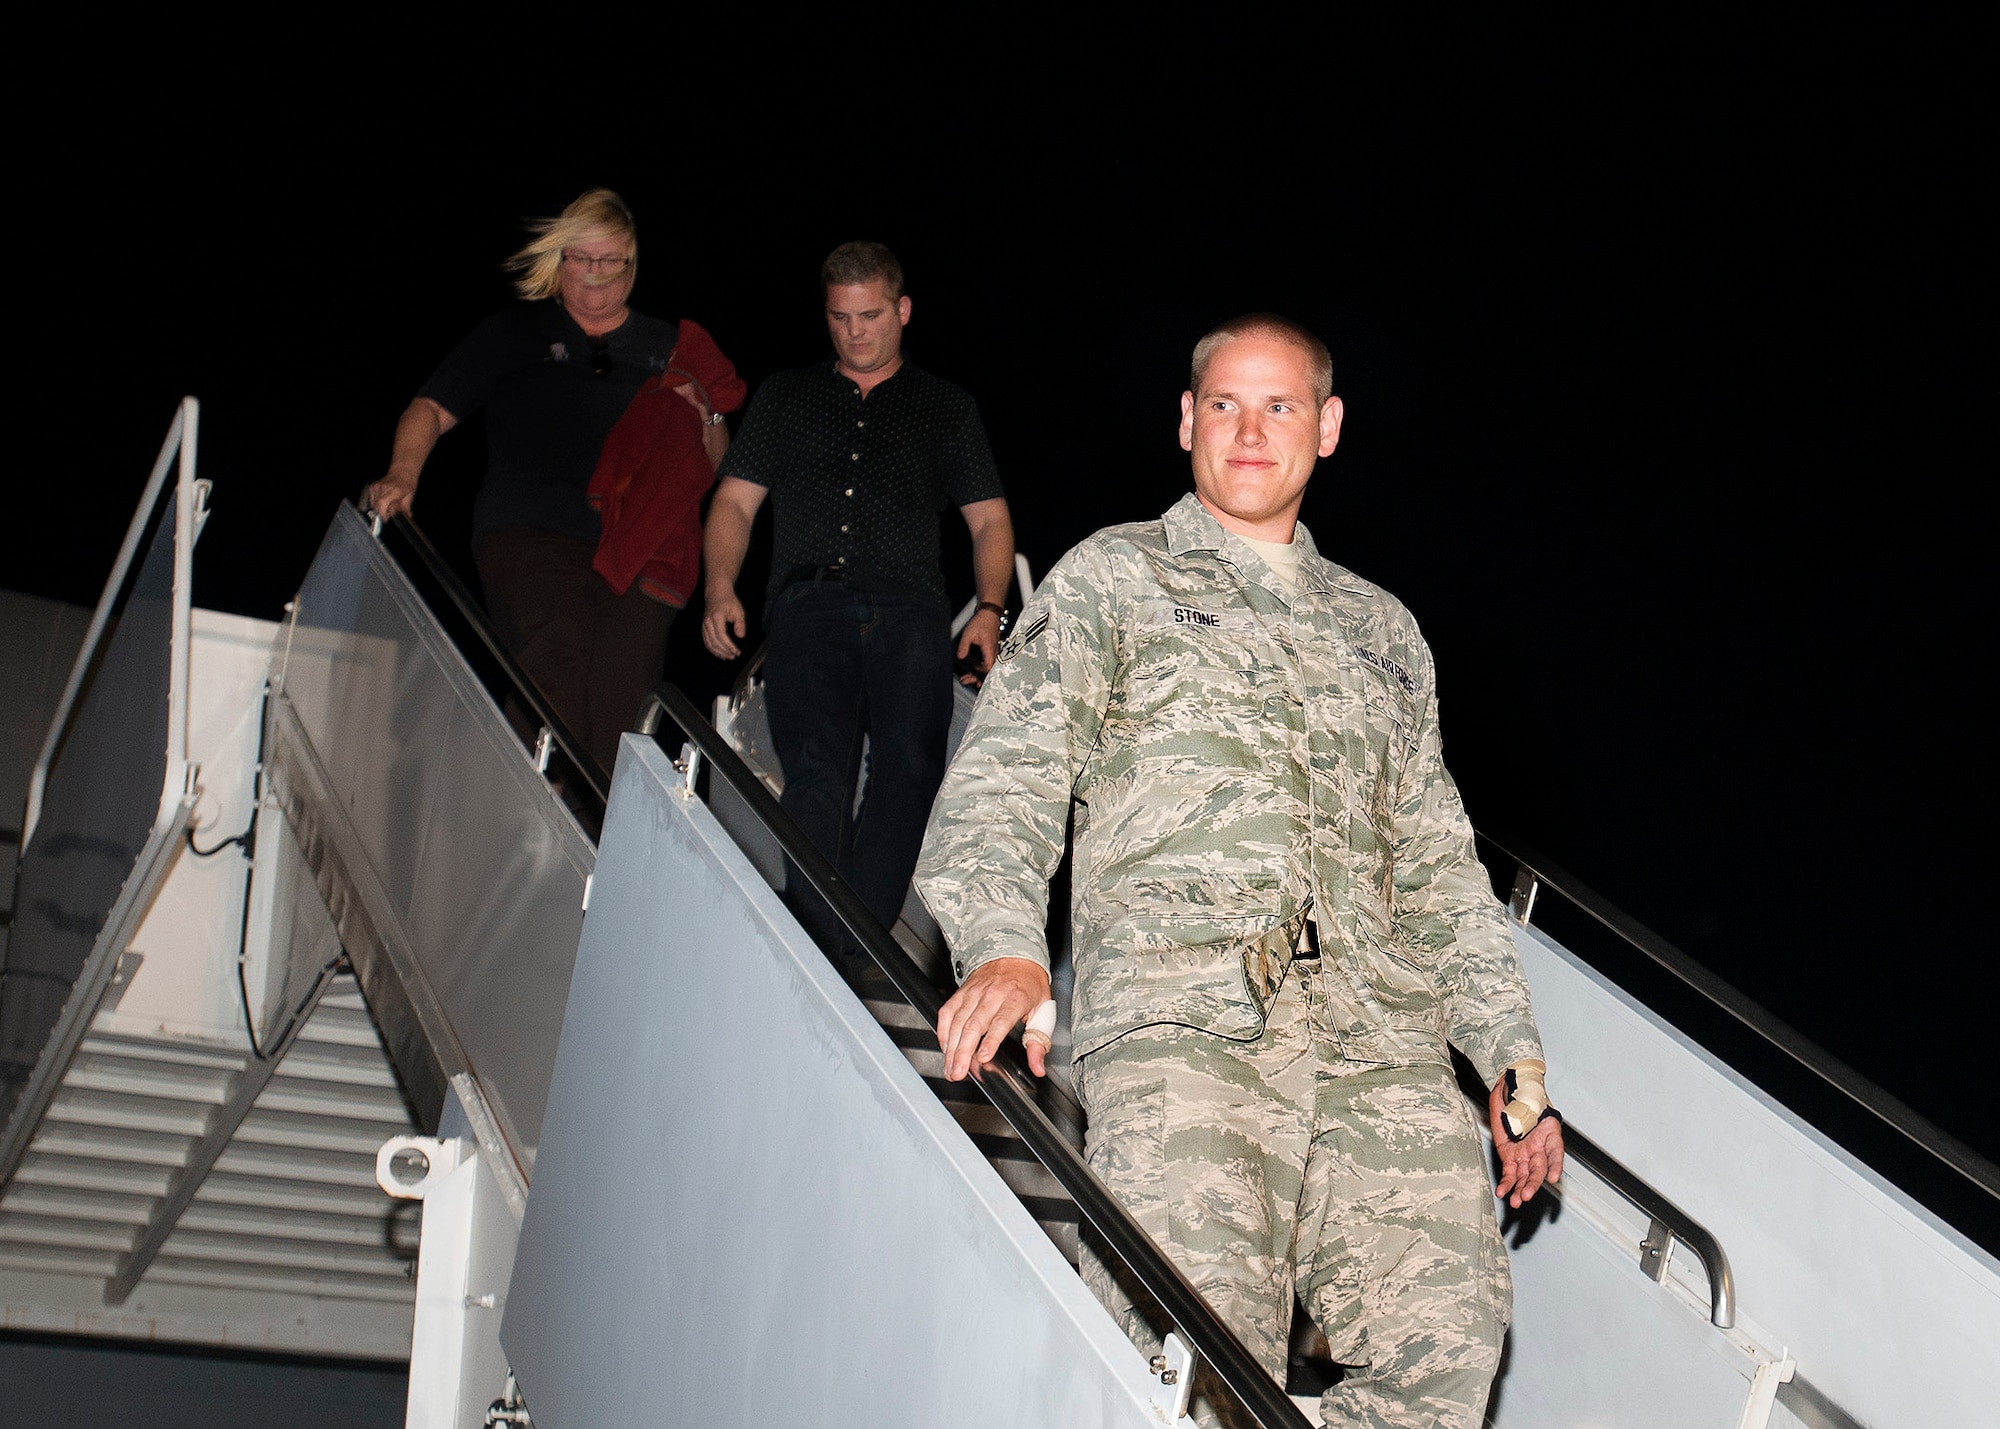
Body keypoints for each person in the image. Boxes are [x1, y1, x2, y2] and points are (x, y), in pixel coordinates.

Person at [914, 316, 1565, 1429]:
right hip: (1187, 1027)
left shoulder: (1382, 630)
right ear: (1185, 422)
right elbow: (1007, 773)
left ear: (1327, 425)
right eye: (1223, 404)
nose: (1250, 430)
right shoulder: (1115, 577)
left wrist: (1507, 1052)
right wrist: (1007, 947)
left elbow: (1436, 859)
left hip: (1381, 1046)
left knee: (1446, 1351)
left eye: (1278, 406)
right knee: (1191, 1356)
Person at [701, 241, 1014, 960]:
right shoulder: (785, 395)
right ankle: (820, 940)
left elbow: (990, 518)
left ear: (902, 310)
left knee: (909, 766)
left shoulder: (945, 406)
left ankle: (854, 943)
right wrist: (720, 585)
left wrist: (991, 609)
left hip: (911, 609)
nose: (855, 331)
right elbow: (735, 504)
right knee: (816, 764)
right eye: (840, 317)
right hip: (808, 605)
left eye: (870, 315)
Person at [366, 188, 743, 774]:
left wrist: (708, 412)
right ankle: (526, 822)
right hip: (529, 533)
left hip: (638, 550)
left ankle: (588, 847)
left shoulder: (667, 345)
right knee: (556, 661)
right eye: (580, 259)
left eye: (609, 261)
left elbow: (716, 461)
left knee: (621, 707)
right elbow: (430, 409)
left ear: (632, 265)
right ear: (559, 261)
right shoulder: (513, 332)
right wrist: (402, 473)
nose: (594, 274)